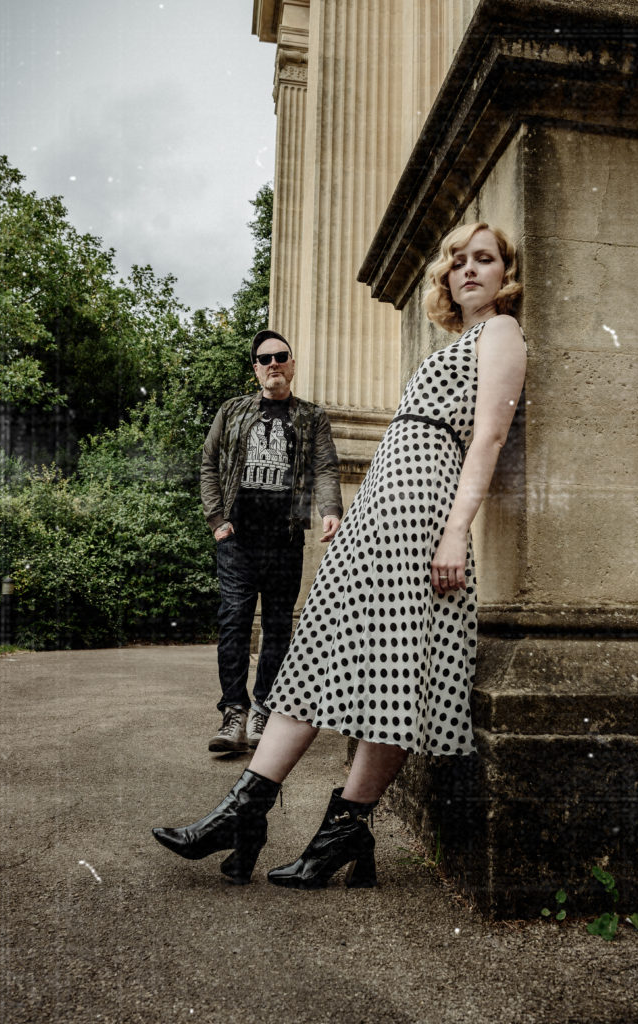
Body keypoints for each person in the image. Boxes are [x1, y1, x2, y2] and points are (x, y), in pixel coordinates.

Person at [153, 222, 527, 889]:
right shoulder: (456, 341)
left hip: (421, 513)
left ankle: (341, 829)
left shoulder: (501, 333)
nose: (469, 269)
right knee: (318, 649)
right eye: (458, 261)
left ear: (506, 274)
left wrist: (454, 532)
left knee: (395, 668)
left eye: (485, 259)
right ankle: (243, 810)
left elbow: (489, 439)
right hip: (381, 509)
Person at [201, 329, 343, 753]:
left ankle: (262, 709)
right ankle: (233, 713)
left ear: (292, 365)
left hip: (284, 539)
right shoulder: (232, 411)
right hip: (238, 540)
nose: (273, 363)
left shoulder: (312, 417)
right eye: (265, 359)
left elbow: (325, 467)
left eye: (281, 356)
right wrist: (217, 519)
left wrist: (330, 509)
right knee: (234, 622)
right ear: (256, 369)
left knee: (278, 626)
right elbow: (209, 463)